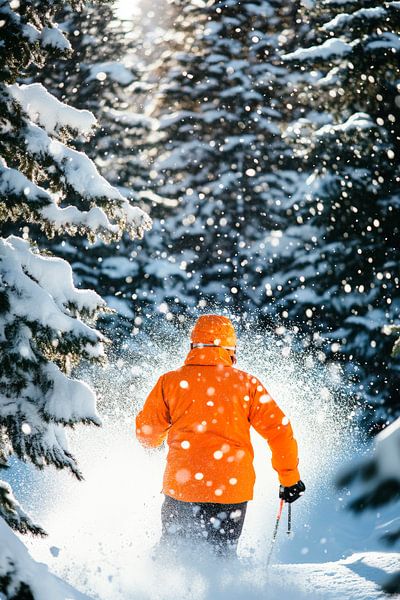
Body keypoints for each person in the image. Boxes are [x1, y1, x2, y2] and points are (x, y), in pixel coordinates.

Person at [136, 315, 305, 557]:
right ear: (229, 349)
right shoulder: (247, 384)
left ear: (193, 346)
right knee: (221, 559)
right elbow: (280, 430)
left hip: (183, 487)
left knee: (172, 557)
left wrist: (155, 440)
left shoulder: (170, 382)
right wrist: (289, 478)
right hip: (230, 490)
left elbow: (147, 433)